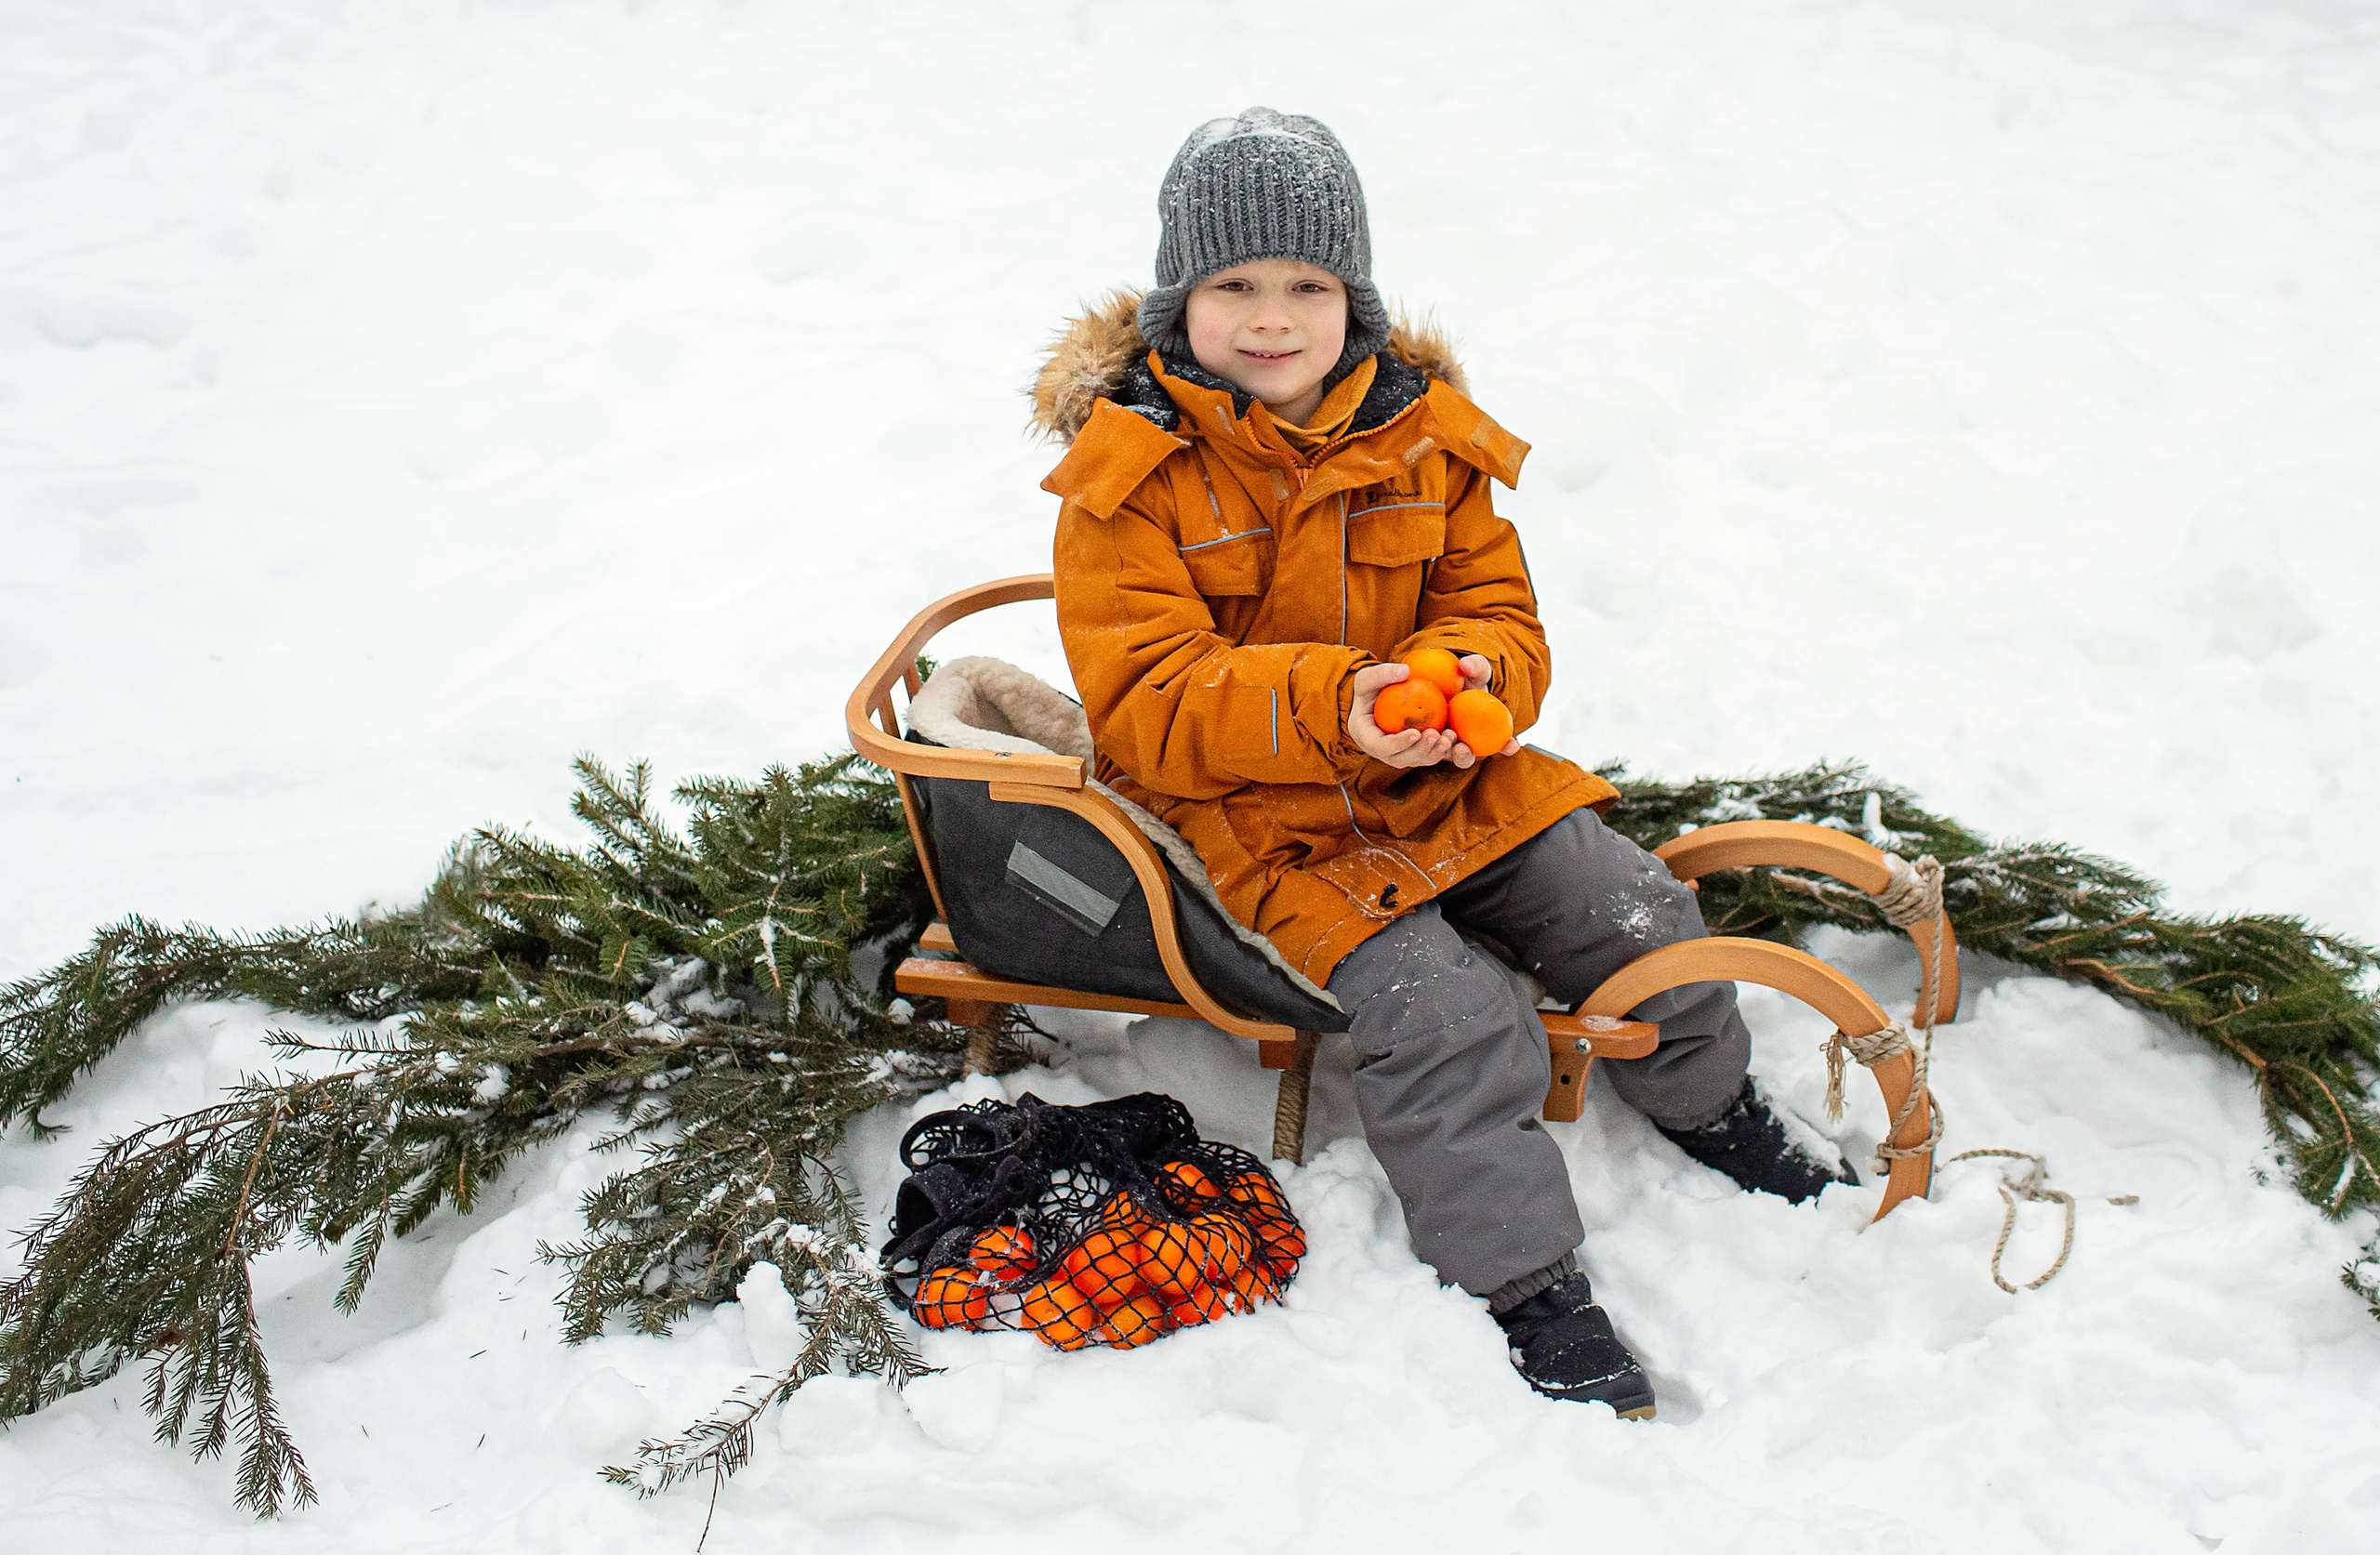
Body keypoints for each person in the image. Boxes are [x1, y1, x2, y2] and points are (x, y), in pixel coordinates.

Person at [1034, 108, 1849, 1417]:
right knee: (1447, 1010)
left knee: (1624, 900)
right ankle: (1524, 1275)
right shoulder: (1125, 483)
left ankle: (1712, 1101)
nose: (1271, 317)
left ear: (1351, 296)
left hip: (1441, 777)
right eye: (1234, 285)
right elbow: (1147, 698)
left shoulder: (1425, 433)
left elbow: (1500, 612)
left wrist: (1472, 680)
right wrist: (1332, 704)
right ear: (1177, 298)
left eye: (1306, 284)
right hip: (1263, 824)